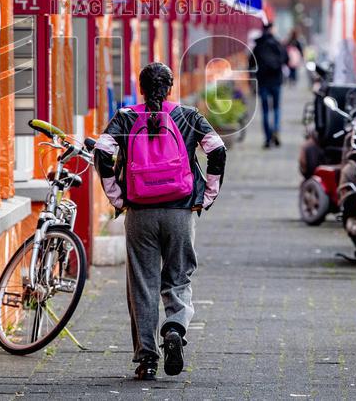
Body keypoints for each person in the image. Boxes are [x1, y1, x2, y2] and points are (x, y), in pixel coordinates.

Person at [94, 62, 227, 381]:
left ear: (141, 88)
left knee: (142, 283)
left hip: (140, 213)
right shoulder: (188, 116)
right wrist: (206, 196)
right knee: (179, 277)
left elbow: (102, 153)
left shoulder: (126, 117)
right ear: (170, 88)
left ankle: (148, 358)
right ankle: (175, 329)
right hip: (181, 211)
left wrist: (117, 197)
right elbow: (218, 151)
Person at [252, 22, 287, 148]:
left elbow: (251, 63)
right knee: (277, 109)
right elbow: (285, 59)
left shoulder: (258, 45)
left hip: (263, 82)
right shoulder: (277, 43)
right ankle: (276, 130)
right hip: (276, 81)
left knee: (266, 110)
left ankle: (267, 138)